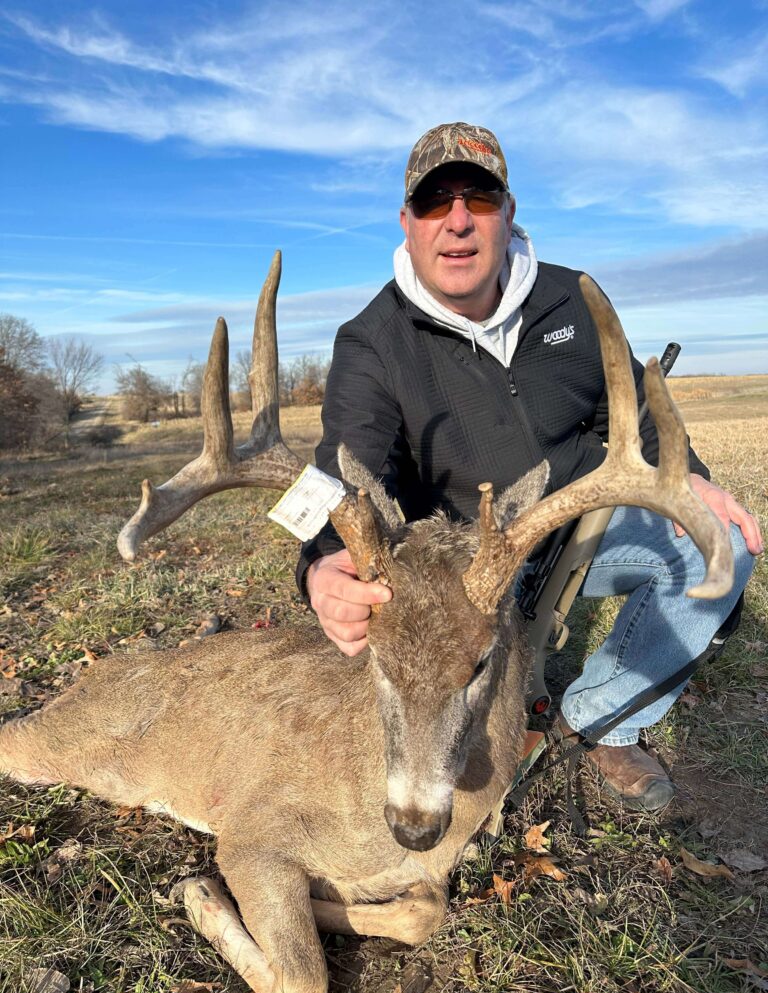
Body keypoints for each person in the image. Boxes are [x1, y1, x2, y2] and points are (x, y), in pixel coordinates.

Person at [297, 122, 761, 811]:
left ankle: (603, 716)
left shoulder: (573, 297)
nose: (457, 220)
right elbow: (342, 471)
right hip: (467, 568)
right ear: (407, 222)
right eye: (434, 201)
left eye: (478, 198)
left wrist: (687, 475)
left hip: (580, 527)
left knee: (721, 544)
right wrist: (320, 564)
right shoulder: (371, 341)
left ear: (508, 212)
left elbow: (624, 412)